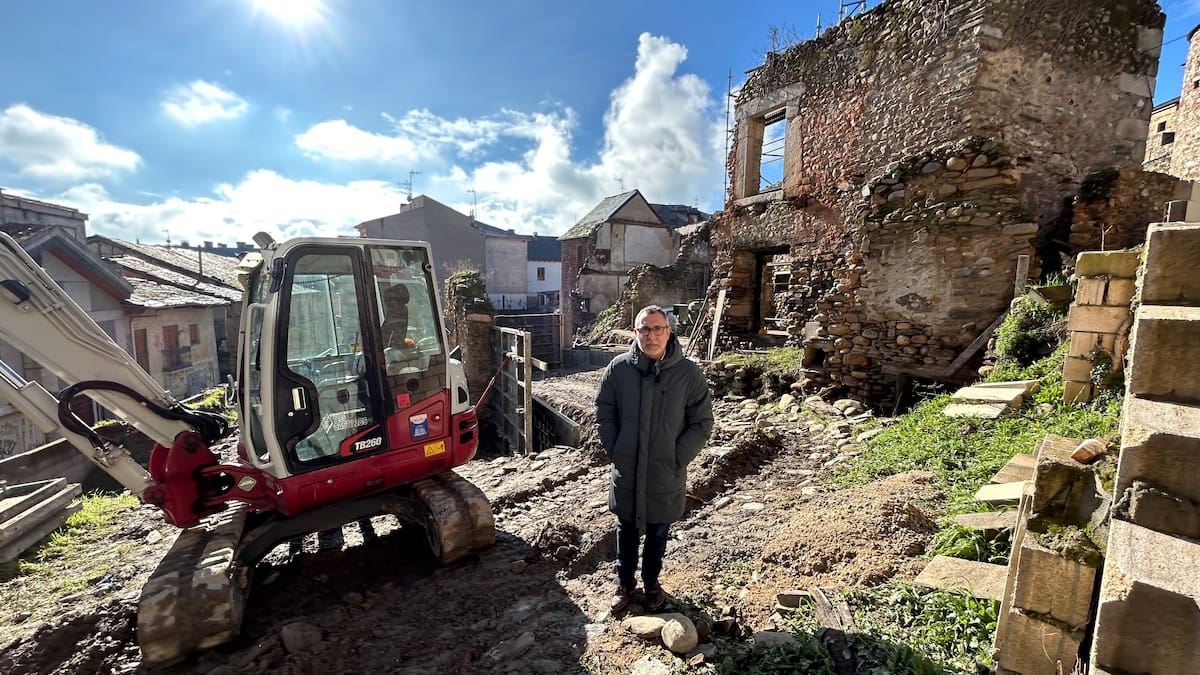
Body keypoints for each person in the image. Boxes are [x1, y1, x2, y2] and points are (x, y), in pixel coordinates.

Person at [595, 305, 714, 611]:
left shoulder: (688, 374)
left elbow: (701, 422)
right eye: (644, 329)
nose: (651, 336)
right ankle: (624, 583)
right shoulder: (618, 369)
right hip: (628, 467)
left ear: (668, 332)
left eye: (657, 328)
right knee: (626, 529)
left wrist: (678, 457)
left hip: (666, 469)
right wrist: (615, 447)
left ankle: (651, 582)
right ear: (636, 333)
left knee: (659, 530)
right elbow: (604, 412)